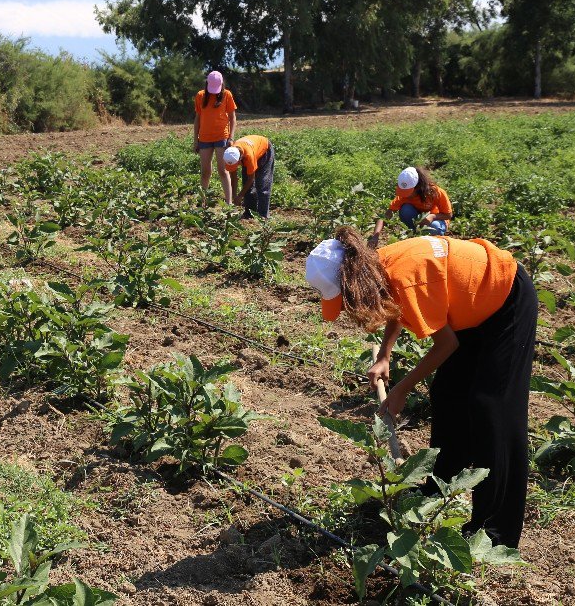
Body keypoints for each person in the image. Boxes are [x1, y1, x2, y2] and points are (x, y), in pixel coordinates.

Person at [305, 227, 537, 548]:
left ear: (354, 282)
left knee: (492, 408)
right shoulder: (379, 266)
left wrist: (401, 389)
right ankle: (438, 487)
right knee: (448, 394)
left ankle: (497, 530)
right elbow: (396, 305)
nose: (346, 308)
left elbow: (446, 345)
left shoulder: (404, 274)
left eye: (344, 300)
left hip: (505, 296)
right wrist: (385, 354)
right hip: (469, 308)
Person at [370, 166, 453, 246]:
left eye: (408, 192)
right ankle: (414, 234)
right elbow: (386, 216)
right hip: (417, 222)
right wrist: (375, 236)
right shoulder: (403, 196)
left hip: (436, 221)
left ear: (418, 187)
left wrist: (433, 216)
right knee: (406, 209)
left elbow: (448, 215)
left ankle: (429, 241)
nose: (405, 195)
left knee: (434, 227)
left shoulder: (435, 192)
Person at [193, 71, 237, 205]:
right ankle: (202, 202)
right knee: (205, 172)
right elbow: (197, 119)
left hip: (221, 137)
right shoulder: (200, 96)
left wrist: (231, 137)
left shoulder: (227, 95)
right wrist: (196, 140)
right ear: (207, 84)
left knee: (223, 171)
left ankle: (229, 203)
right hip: (204, 139)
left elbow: (232, 118)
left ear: (221, 84)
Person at [222, 135, 275, 219]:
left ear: (240, 158)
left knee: (262, 184)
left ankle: (263, 216)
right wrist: (234, 196)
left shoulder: (249, 156)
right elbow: (233, 177)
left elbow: (251, 179)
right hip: (251, 149)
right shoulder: (230, 155)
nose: (237, 166)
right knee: (247, 186)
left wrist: (240, 196)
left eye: (237, 164)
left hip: (265, 150)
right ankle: (249, 214)